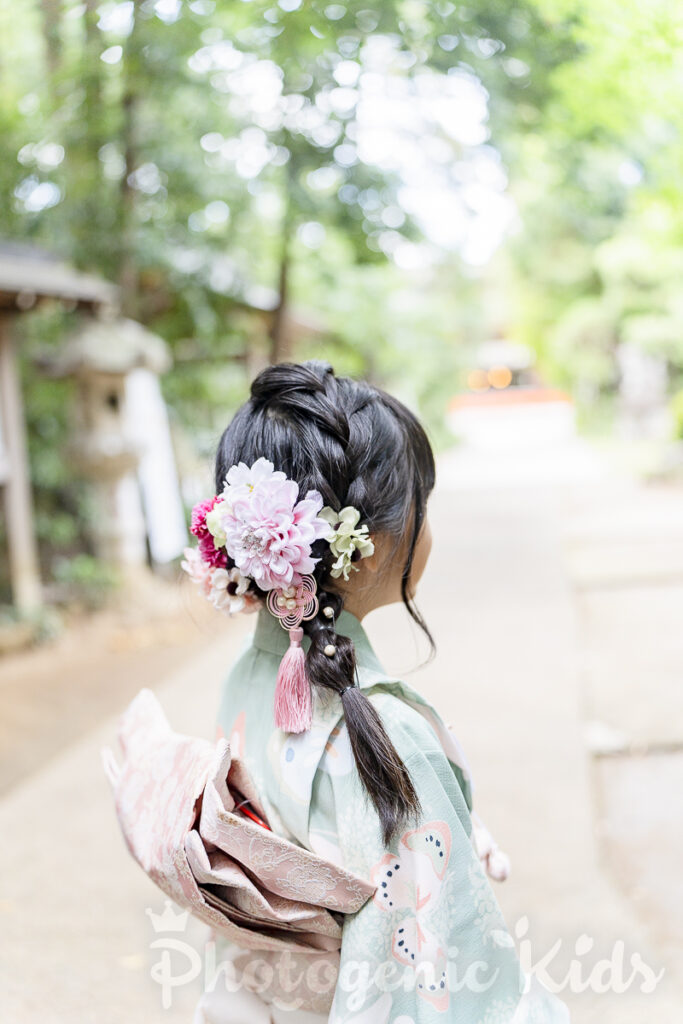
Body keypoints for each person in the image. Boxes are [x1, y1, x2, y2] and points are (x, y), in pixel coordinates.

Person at [185, 360, 570, 1023]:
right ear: (364, 548)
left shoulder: (246, 679)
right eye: (423, 504)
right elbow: (446, 987)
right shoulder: (383, 736)